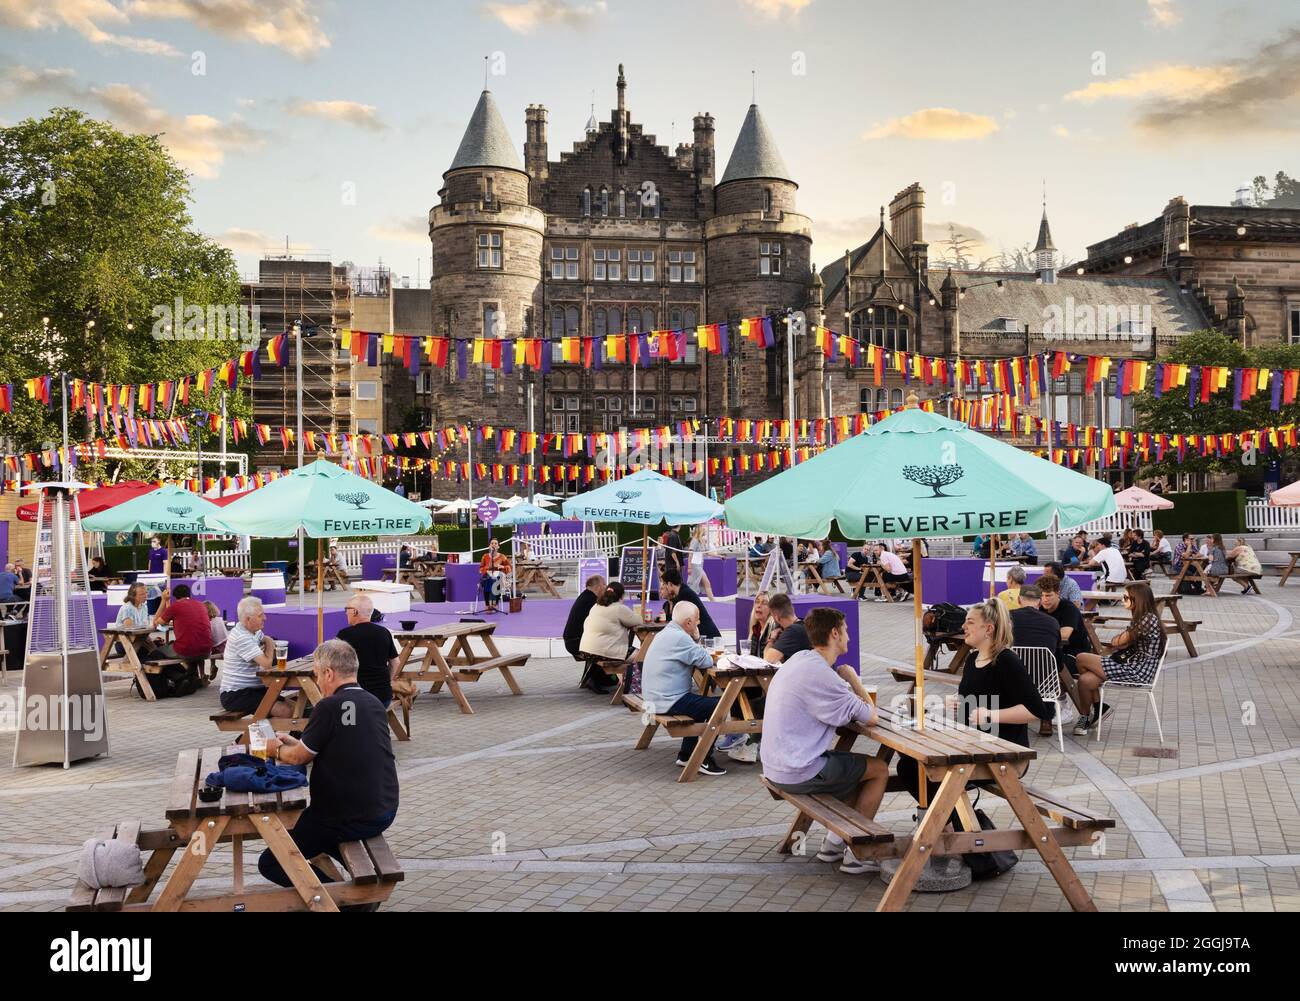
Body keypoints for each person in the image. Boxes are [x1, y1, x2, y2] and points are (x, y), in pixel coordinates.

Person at [896, 601, 1053, 834]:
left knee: (917, 769)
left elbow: (1036, 710)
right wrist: (955, 702)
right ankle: (948, 827)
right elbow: (971, 705)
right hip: (971, 747)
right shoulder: (971, 660)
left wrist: (992, 714)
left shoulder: (1006, 661)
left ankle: (945, 830)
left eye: (970, 622)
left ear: (988, 629)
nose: (963, 626)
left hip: (1004, 755)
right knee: (911, 763)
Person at [262, 640, 399, 896]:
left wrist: (275, 749)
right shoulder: (372, 702)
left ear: (328, 673)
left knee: (272, 861)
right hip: (385, 808)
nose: (317, 681)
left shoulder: (329, 706)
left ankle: (337, 899)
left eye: (316, 675)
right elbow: (339, 744)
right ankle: (355, 892)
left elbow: (297, 758)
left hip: (346, 816)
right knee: (315, 836)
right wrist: (297, 743)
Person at [762, 607, 888, 875]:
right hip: (796, 770)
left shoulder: (798, 660)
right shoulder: (825, 676)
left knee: (855, 771)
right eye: (846, 632)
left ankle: (833, 844)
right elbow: (871, 717)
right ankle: (859, 854)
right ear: (834, 633)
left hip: (775, 764)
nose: (849, 638)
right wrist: (852, 677)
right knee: (878, 770)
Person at [640, 602, 728, 776]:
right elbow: (706, 660)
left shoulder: (667, 632)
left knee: (699, 704)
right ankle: (703, 758)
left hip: (654, 698)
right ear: (688, 622)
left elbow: (697, 656)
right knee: (720, 706)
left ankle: (687, 755)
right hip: (666, 700)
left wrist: (695, 642)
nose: (699, 623)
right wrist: (696, 638)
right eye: (696, 619)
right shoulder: (680, 638)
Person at [1073, 583, 1164, 736]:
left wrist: (1123, 638)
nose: (1122, 600)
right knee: (1085, 680)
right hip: (1131, 666)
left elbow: (1116, 642)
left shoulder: (1147, 619)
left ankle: (1097, 708)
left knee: (1081, 658)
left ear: (1138, 599)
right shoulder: (1142, 619)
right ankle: (1088, 715)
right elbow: (1121, 641)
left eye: (1126, 597)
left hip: (1137, 671)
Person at [219, 596, 296, 718]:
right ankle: (251, 737)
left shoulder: (254, 632)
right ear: (248, 619)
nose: (265, 618)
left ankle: (289, 736)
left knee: (297, 708)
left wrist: (266, 642)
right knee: (286, 711)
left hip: (255, 689)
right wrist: (270, 642)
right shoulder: (241, 637)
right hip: (236, 694)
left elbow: (264, 645)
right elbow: (266, 665)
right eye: (260, 616)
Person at [337, 593, 402, 707]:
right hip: (383, 696)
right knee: (375, 723)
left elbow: (334, 664)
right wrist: (387, 682)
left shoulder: (345, 635)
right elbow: (396, 662)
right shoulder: (384, 632)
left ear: (355, 612)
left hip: (355, 697)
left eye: (347, 609)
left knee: (348, 722)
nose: (345, 612)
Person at [579, 582, 642, 694]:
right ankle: (632, 686)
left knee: (633, 653)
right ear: (621, 596)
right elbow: (638, 621)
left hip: (586, 649)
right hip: (604, 651)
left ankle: (626, 683)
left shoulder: (596, 606)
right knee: (641, 655)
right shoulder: (619, 608)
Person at [152, 584, 212, 664]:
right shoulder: (201, 605)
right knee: (185, 646)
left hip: (186, 650)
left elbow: (156, 623)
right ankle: (190, 674)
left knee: (156, 652)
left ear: (175, 597)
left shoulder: (176, 606)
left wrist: (163, 600)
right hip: (206, 650)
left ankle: (168, 676)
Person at [660, 568, 720, 639]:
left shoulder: (685, 594)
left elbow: (679, 621)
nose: (664, 587)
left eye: (664, 584)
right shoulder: (681, 594)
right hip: (700, 635)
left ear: (670, 584)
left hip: (707, 636)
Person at [564, 575, 606, 661]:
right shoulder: (591, 601)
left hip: (573, 641)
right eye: (604, 584)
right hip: (577, 642)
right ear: (599, 587)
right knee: (614, 651)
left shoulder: (585, 596)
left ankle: (597, 674)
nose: (606, 587)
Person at [763, 593, 810, 664]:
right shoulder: (804, 625)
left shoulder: (793, 631)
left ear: (777, 617)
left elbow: (768, 659)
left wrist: (772, 640)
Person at [478, 538, 511, 613]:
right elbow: (480, 569)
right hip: (487, 576)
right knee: (488, 579)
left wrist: (502, 567)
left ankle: (493, 604)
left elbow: (509, 568)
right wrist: (487, 568)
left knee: (495, 580)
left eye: (495, 543)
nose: (494, 545)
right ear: (489, 546)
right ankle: (489, 604)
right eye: (492, 543)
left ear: (498, 546)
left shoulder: (502, 557)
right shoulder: (485, 556)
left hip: (499, 577)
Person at [686, 525, 715, 599]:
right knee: (694, 585)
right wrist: (689, 567)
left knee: (706, 583)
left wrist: (720, 556)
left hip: (699, 565)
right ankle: (712, 600)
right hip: (695, 565)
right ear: (700, 530)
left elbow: (707, 552)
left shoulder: (701, 541)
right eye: (703, 529)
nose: (704, 530)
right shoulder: (695, 540)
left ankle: (712, 601)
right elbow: (690, 554)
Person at [747, 592, 775, 657]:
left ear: (771, 609)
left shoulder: (774, 629)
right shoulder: (755, 629)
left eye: (764, 603)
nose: (759, 605)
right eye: (757, 602)